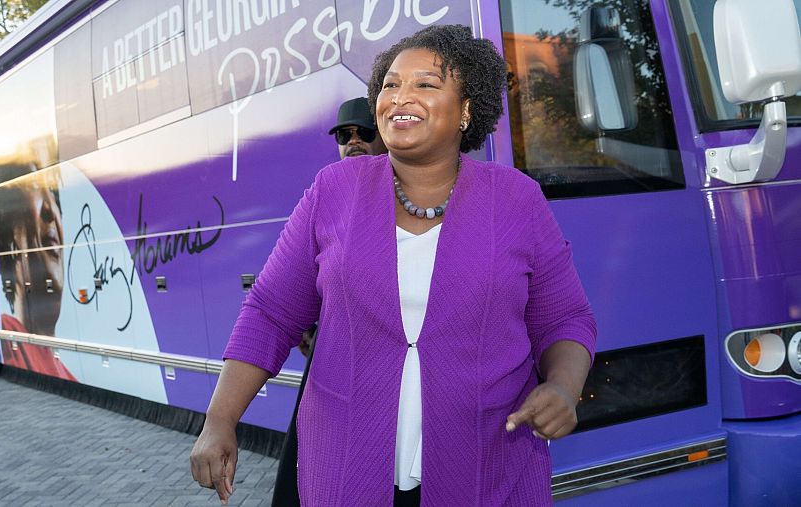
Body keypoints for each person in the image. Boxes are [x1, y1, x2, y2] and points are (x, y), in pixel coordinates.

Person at [191, 24, 596, 506]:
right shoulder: (334, 190)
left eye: (426, 84)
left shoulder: (516, 200)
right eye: (390, 84)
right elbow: (270, 312)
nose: (400, 97)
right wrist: (219, 419)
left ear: (467, 109)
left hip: (489, 472)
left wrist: (563, 387)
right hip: (348, 472)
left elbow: (564, 318)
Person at [270, 97, 389, 507]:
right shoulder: (325, 197)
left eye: (364, 132)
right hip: (335, 370)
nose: (353, 141)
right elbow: (278, 297)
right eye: (344, 135)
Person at [0, 163, 75, 380]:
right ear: (10, 235)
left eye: (53, 192)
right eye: (35, 184)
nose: (50, 209)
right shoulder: (10, 343)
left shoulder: (65, 373)